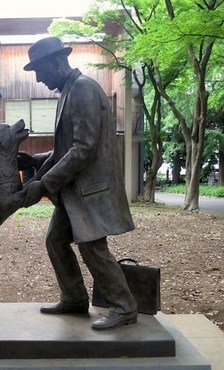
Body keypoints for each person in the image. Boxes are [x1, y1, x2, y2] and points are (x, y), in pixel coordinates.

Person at [18, 36, 138, 330]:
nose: (39, 78)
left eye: (40, 70)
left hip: (90, 190)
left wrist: (44, 183)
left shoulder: (83, 89)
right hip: (73, 191)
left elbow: (83, 149)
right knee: (55, 241)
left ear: (57, 62)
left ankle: (125, 306)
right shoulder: (68, 91)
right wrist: (35, 160)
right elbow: (65, 149)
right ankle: (73, 298)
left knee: (92, 248)